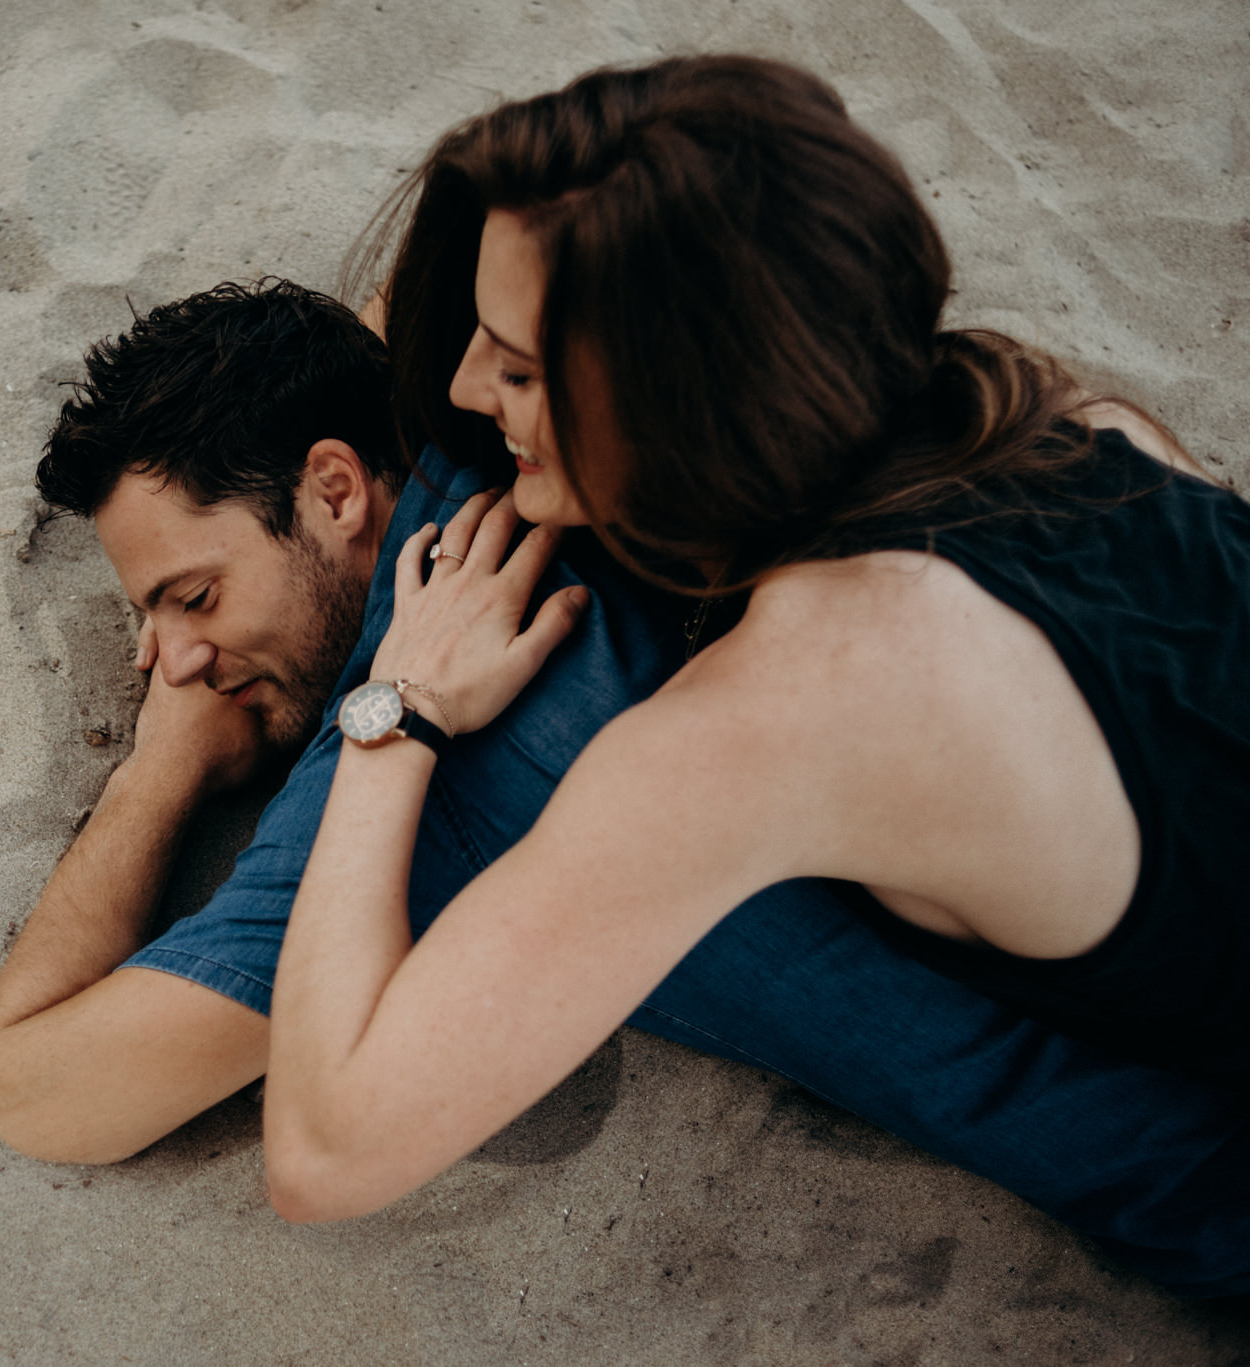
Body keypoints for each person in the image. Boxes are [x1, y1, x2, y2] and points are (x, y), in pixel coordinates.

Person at [0, 280, 1249, 1296]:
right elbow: (387, 308)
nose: (175, 664)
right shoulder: (607, 449)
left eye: (190, 598)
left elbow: (43, 1091)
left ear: (335, 485)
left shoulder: (443, 761)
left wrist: (165, 765)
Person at [260, 55, 1250, 1244]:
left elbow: (324, 1150)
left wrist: (396, 707)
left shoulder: (797, 705)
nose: (473, 388)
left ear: (681, 404)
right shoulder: (1061, 416)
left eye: (518, 366)